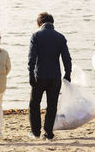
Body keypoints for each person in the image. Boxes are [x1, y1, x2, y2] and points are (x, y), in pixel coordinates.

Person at [28, 12, 72, 140]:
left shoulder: (36, 36)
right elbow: (66, 58)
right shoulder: (60, 37)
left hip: (39, 76)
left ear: (40, 23)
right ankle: (48, 133)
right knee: (52, 105)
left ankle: (36, 133)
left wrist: (30, 73)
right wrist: (67, 73)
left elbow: (32, 57)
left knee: (34, 104)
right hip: (55, 77)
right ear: (52, 23)